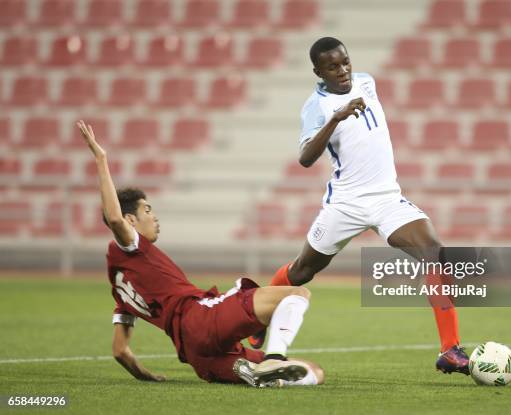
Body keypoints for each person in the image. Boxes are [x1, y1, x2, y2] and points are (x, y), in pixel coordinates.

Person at [249, 37, 469, 375]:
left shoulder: (367, 82)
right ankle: (255, 314)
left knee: (435, 253)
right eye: (333, 66)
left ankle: (450, 349)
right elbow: (306, 159)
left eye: (345, 62)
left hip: (386, 198)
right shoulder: (316, 106)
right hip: (346, 203)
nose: (343, 70)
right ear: (317, 72)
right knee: (302, 272)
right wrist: (335, 118)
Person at [76, 120, 324, 387]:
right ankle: (274, 357)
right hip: (201, 319)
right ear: (130, 220)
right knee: (299, 294)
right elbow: (113, 218)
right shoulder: (130, 248)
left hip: (196, 355)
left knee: (313, 372)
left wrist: (145, 376)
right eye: (147, 210)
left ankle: (252, 370)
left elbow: (120, 351)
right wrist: (101, 159)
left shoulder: (120, 287)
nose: (155, 217)